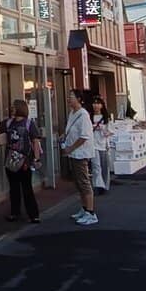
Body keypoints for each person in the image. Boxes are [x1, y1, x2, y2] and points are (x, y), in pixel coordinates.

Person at [0, 99, 42, 223]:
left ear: (20, 108)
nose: (11, 109)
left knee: (27, 188)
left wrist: (36, 158)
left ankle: (34, 215)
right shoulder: (8, 123)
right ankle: (15, 213)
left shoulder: (29, 124)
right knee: (14, 188)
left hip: (25, 161)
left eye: (13, 107)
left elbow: (35, 141)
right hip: (11, 161)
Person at [62, 90, 97, 225]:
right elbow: (71, 130)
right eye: (68, 97)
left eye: (71, 97)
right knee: (78, 182)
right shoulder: (72, 113)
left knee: (84, 182)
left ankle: (91, 212)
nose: (69, 99)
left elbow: (84, 136)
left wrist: (71, 148)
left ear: (79, 99)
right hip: (74, 153)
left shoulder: (83, 115)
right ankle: (84, 208)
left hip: (81, 153)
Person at [90, 96, 113, 194]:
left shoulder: (105, 118)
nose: (96, 105)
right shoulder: (89, 117)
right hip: (93, 144)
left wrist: (103, 129)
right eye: (94, 103)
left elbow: (110, 131)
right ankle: (98, 185)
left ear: (102, 105)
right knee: (96, 166)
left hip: (103, 144)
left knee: (104, 166)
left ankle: (105, 185)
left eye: (98, 103)